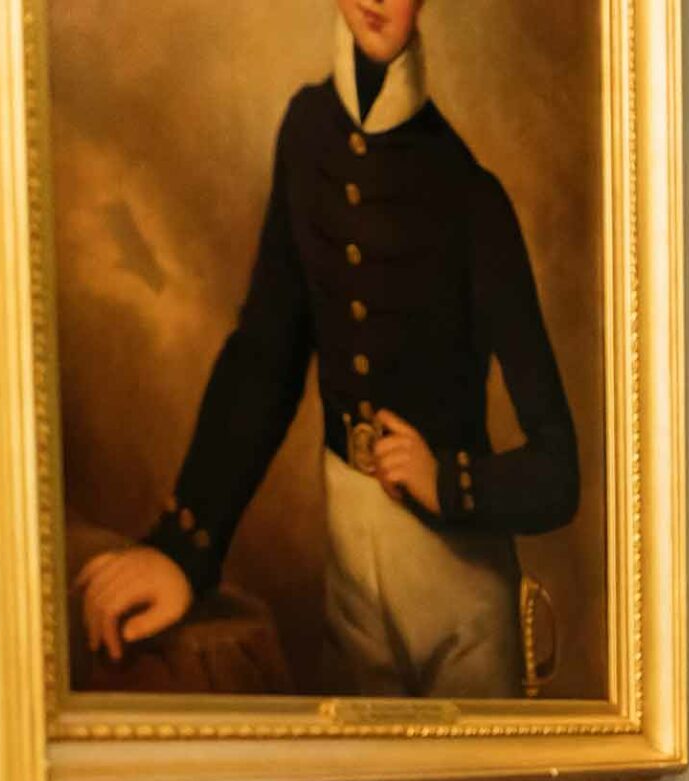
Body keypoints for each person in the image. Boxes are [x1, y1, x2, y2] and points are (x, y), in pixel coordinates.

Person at [75, 0, 579, 698]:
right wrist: (186, 549)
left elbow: (560, 471)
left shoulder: (470, 196)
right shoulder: (307, 133)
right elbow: (265, 358)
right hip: (349, 579)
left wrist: (450, 482)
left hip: (461, 598)